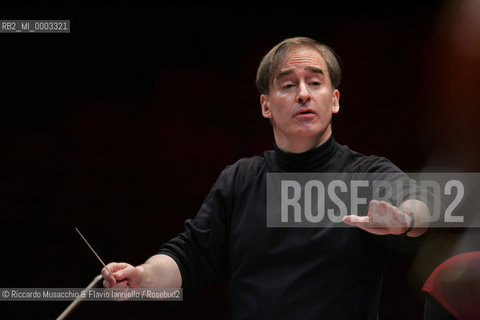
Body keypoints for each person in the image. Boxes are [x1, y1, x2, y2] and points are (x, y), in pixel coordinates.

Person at [102, 37, 431, 319]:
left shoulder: (365, 173)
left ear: (334, 100)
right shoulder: (240, 179)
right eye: (288, 85)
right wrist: (142, 277)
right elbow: (189, 256)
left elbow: (420, 203)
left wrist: (405, 219)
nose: (303, 94)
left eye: (315, 83)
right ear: (266, 106)